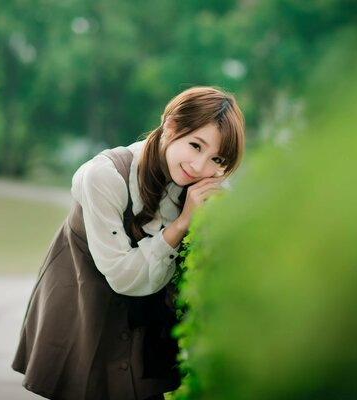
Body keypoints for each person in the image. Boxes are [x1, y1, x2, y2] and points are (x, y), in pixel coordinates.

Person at [12, 86, 245, 400]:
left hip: (143, 326)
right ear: (172, 124)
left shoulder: (200, 182)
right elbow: (122, 274)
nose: (200, 166)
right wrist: (181, 224)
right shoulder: (103, 177)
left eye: (215, 158)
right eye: (195, 145)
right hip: (85, 313)